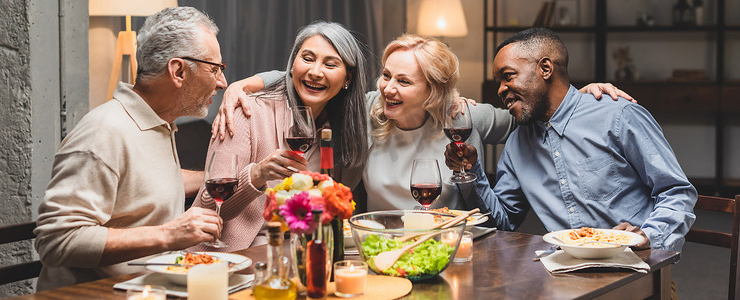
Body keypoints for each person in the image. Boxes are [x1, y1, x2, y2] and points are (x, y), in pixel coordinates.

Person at [214, 33, 632, 213]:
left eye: (404, 80)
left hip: (448, 248)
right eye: (386, 75)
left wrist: (581, 91)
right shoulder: (366, 109)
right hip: (375, 246)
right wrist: (247, 83)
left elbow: (536, 112)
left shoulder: (463, 116)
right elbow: (316, 80)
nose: (389, 87)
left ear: (433, 90)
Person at [445, 28, 696, 251]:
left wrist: (646, 236)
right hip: (565, 274)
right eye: (499, 81)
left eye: (508, 76)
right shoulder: (517, 143)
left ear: (545, 68)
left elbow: (677, 192)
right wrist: (469, 171)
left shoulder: (618, 115)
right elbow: (502, 222)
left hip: (634, 268)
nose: (500, 89)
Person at [34, 7, 226, 290]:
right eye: (215, 69)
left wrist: (221, 178)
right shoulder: (104, 132)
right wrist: (168, 235)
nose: (222, 82)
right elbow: (55, 240)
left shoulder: (157, 122)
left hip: (149, 290)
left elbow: (141, 183)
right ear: (178, 71)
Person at [189, 21, 369, 251]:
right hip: (230, 257)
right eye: (307, 58)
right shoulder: (247, 111)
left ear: (348, 79)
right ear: (292, 65)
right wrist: (257, 174)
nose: (315, 72)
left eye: (330, 64)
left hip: (298, 253)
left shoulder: (343, 129)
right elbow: (209, 203)